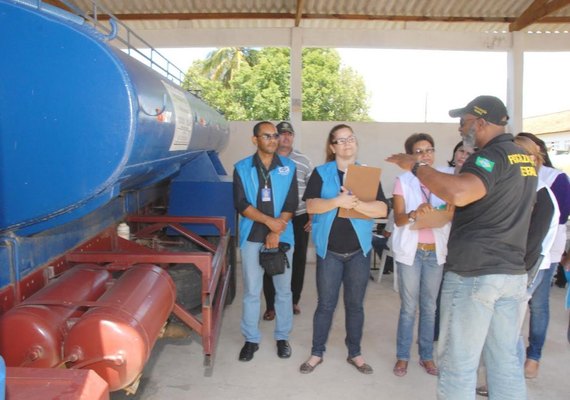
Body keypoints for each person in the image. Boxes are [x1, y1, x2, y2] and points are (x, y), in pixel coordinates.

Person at [387, 95, 537, 399]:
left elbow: (461, 192)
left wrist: (417, 167)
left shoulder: (489, 157)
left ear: (481, 122)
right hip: (511, 275)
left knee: (458, 365)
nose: (460, 128)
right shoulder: (523, 159)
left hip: (475, 275)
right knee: (505, 362)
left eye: (464, 121)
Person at [299, 124, 388, 374]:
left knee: (355, 305)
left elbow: (381, 210)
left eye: (351, 138)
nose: (347, 143)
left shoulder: (367, 175)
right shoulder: (321, 173)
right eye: (341, 140)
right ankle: (317, 352)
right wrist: (337, 201)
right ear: (332, 147)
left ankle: (355, 353)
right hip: (330, 252)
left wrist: (356, 203)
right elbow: (312, 206)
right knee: (325, 304)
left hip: (359, 251)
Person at [233, 121, 298, 362]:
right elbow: (241, 204)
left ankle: (282, 337)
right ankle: (251, 339)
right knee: (252, 291)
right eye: (267, 136)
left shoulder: (288, 168)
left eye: (275, 136)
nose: (273, 140)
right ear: (255, 140)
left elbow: (291, 203)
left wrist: (276, 230)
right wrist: (269, 223)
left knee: (283, 291)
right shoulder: (241, 168)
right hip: (252, 236)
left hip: (281, 236)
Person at [391, 133, 453, 378]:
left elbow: (453, 211)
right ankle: (402, 357)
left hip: (435, 251)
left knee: (429, 307)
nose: (425, 155)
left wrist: (449, 211)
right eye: (419, 151)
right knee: (409, 307)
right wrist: (415, 213)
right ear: (410, 157)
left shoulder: (445, 179)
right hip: (411, 252)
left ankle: (426, 356)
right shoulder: (403, 181)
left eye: (429, 149)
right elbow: (398, 219)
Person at [516, 132, 570, 378]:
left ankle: (533, 356)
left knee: (537, 305)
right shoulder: (514, 181)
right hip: (520, 258)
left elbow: (555, 218)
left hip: (541, 255)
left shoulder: (552, 180)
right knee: (514, 316)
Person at [262, 121, 314, 321]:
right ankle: (271, 305)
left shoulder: (303, 161)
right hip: (272, 218)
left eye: (289, 134)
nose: (285, 137)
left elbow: (312, 191)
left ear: (293, 137)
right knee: (270, 258)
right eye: (281, 134)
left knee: (298, 260)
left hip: (299, 217)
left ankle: (293, 300)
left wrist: (312, 215)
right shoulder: (266, 159)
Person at [433, 141, 474, 342]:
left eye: (468, 153)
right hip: (439, 241)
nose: (463, 156)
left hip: (466, 244)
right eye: (460, 151)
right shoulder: (442, 174)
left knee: (462, 293)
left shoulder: (476, 180)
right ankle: (436, 333)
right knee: (439, 292)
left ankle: (458, 336)